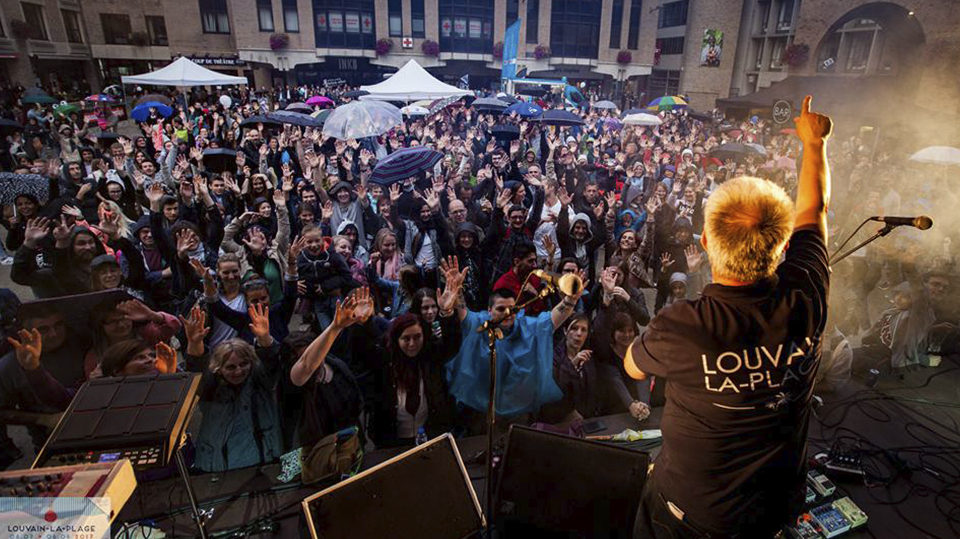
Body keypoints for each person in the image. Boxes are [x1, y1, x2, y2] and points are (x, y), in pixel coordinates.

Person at [628, 96, 832, 538]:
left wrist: (814, 145)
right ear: (782, 247)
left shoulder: (684, 324)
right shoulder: (806, 296)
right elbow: (814, 212)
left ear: (703, 241)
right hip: (772, 512)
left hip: (689, 517)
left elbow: (631, 364)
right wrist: (814, 146)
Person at [442, 255, 585, 426]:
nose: (507, 313)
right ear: (489, 310)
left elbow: (554, 318)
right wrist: (455, 295)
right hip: (482, 408)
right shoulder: (479, 323)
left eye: (511, 309)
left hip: (519, 410)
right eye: (500, 309)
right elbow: (460, 311)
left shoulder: (528, 327)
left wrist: (571, 300)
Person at [182, 305, 284, 472]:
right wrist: (194, 343)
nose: (238, 371)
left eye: (243, 364)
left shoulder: (258, 379)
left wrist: (265, 338)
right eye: (230, 367)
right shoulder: (211, 387)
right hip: (221, 464)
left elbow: (270, 361)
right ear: (218, 368)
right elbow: (197, 371)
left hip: (264, 457)